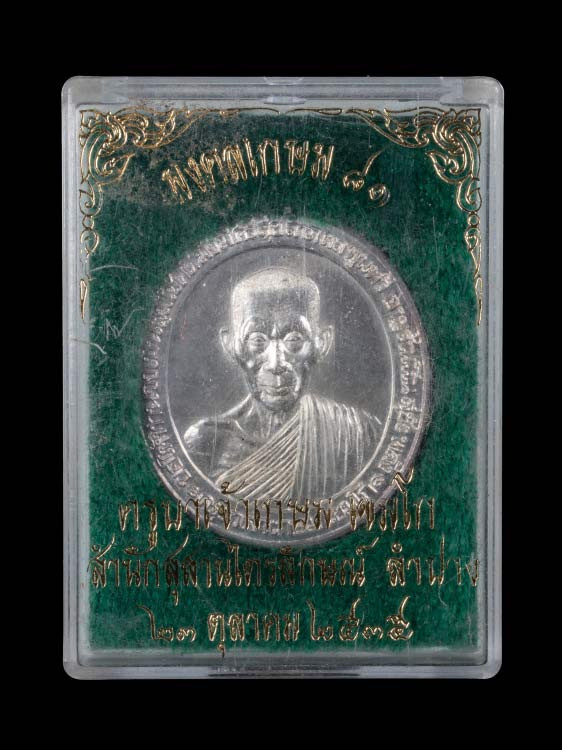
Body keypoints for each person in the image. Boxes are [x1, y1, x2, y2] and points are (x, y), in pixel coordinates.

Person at [183, 267, 379, 501]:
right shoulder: (206, 443)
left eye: (294, 340)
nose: (276, 363)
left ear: (321, 343)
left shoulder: (358, 434)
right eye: (258, 340)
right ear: (231, 345)